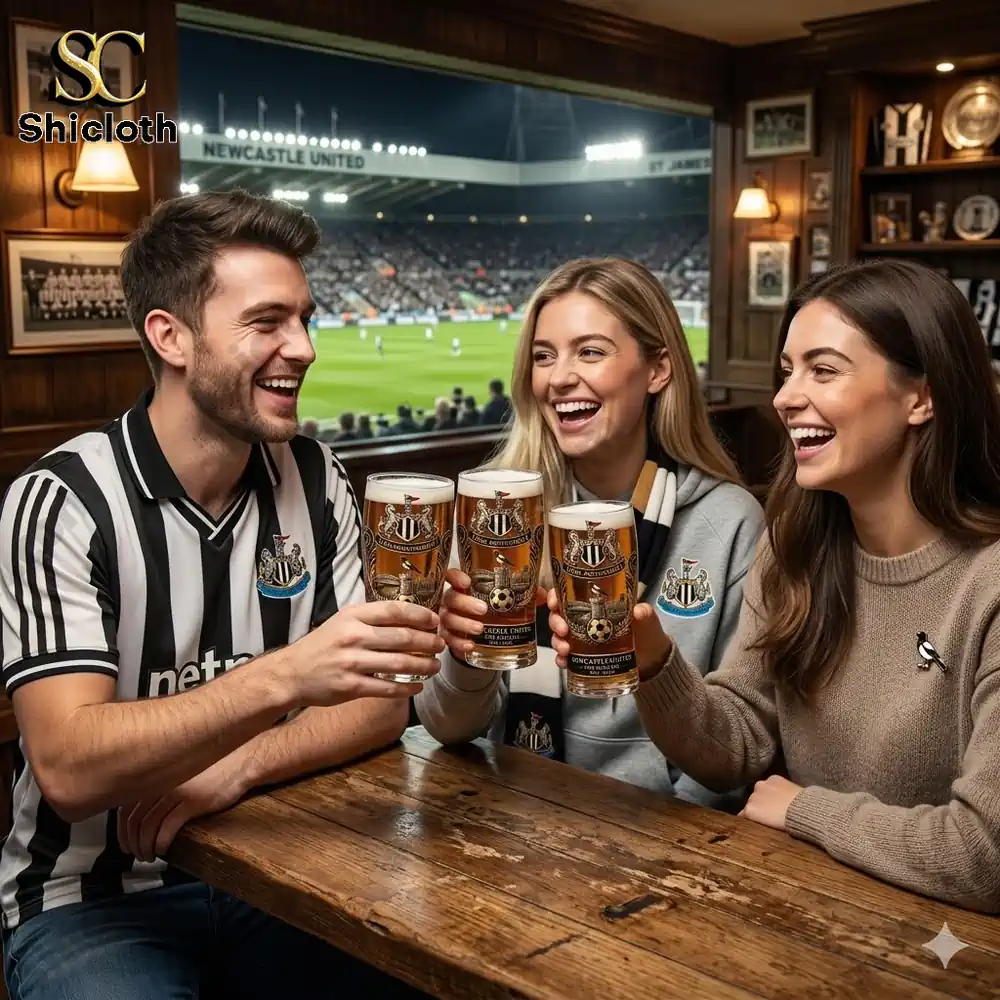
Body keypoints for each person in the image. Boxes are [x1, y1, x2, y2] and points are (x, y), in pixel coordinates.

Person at [0, 190, 442, 998]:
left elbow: (383, 702)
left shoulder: (315, 477)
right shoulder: (62, 500)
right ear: (169, 336)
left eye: (305, 318)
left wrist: (237, 765)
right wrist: (285, 677)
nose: (303, 348)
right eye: (267, 322)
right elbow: (67, 763)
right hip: (93, 902)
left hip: (286, 870)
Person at [548, 258, 1000, 912]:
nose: (786, 397)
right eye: (787, 372)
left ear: (920, 397)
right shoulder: (792, 551)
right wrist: (654, 665)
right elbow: (736, 748)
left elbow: (984, 853)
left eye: (824, 369)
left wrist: (804, 811)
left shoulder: (986, 587)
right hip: (798, 924)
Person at [415, 257, 764, 807]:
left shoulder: (728, 522)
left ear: (658, 370)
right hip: (507, 822)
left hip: (663, 847)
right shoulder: (496, 509)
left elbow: (735, 756)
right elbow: (447, 727)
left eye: (591, 352)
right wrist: (464, 655)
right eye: (543, 356)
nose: (559, 378)